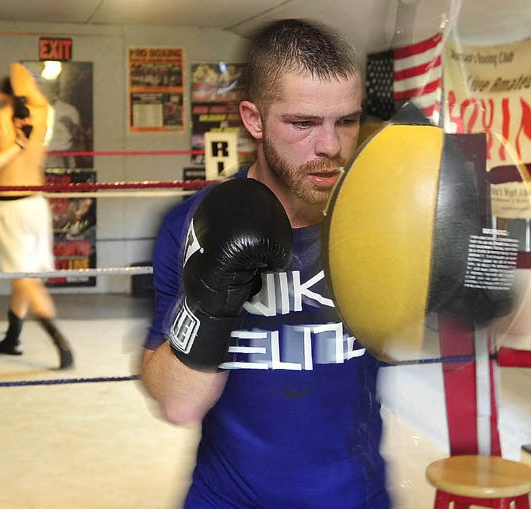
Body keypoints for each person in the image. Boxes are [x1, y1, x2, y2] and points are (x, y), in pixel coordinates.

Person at [140, 19, 389, 508]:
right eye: (302, 123)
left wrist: (478, 257)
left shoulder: (380, 220)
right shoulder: (191, 222)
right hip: (225, 497)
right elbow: (178, 403)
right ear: (253, 119)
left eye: (346, 121)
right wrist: (212, 295)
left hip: (355, 497)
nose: (331, 147)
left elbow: (477, 331)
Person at [0, 65, 74, 370]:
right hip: (36, 205)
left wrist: (15, 145)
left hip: (9, 209)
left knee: (25, 280)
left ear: (0, 94)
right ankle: (12, 337)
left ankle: (59, 340)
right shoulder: (41, 113)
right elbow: (22, 76)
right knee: (24, 277)